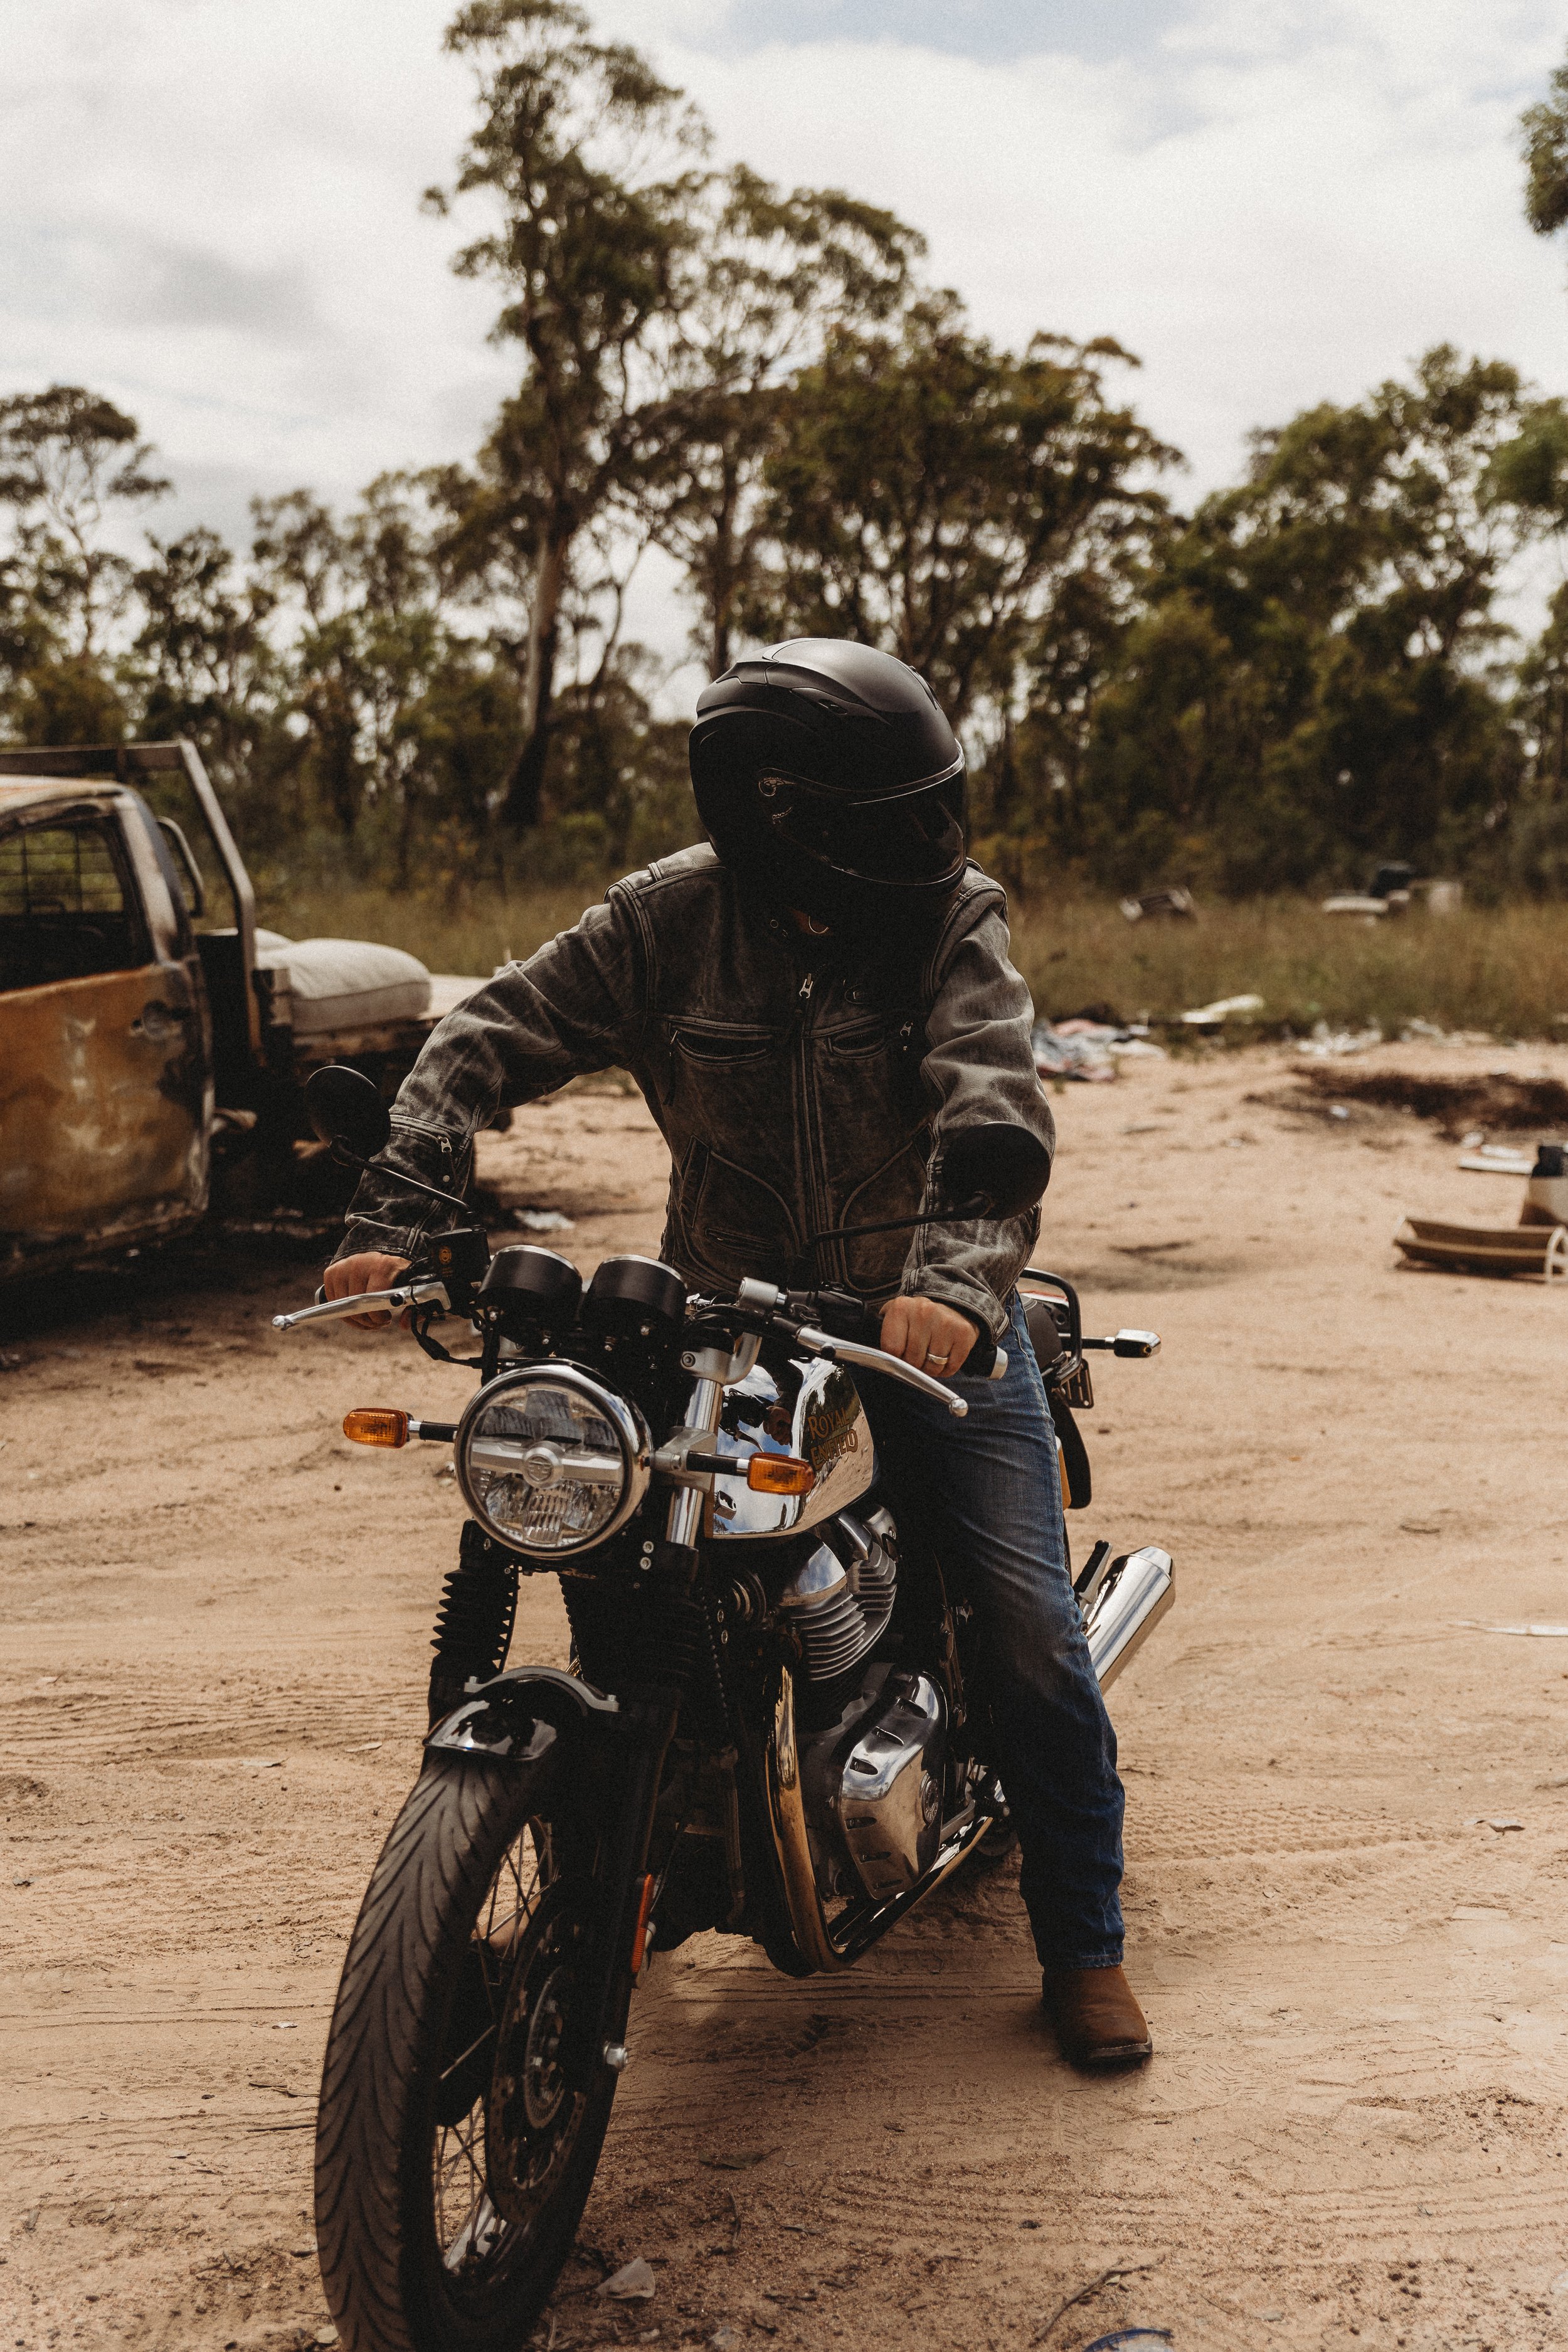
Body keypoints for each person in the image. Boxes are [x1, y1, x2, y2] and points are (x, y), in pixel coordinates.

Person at [324, 637, 1151, 2070]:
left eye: (929, 812)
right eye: (891, 821)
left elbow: (992, 1095)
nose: (927, 845)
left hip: (921, 1319)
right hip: (720, 1319)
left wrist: (951, 1282)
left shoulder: (949, 920)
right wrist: (400, 1210)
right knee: (617, 1583)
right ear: (781, 822)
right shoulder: (665, 922)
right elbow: (487, 1033)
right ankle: (610, 1881)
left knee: (1028, 1626)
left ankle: (1084, 1944)